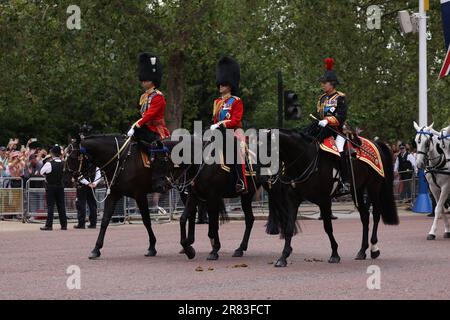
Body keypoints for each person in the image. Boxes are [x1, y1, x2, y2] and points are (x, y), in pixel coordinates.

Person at [211, 56, 246, 193]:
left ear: (230, 85)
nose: (220, 86)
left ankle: (241, 181)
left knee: (235, 150)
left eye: (223, 84)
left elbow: (236, 120)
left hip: (234, 132)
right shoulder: (217, 102)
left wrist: (221, 125)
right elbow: (215, 119)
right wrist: (214, 127)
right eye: (220, 84)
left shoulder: (236, 101)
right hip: (219, 132)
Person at [127, 53, 170, 146]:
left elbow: (149, 115)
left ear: (153, 81)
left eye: (146, 80)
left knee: (138, 133)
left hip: (156, 130)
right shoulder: (145, 96)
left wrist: (136, 126)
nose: (143, 82)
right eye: (143, 80)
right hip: (147, 128)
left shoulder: (158, 97)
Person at [39, 145, 67, 231]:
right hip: (60, 186)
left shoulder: (49, 163)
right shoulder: (64, 163)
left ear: (52, 154)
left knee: (50, 206)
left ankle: (49, 225)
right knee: (61, 206)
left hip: (51, 186)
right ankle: (64, 225)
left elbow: (41, 172)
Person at [74, 165, 101, 229]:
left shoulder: (81, 165)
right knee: (92, 205)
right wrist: (94, 183)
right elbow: (98, 174)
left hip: (83, 186)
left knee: (81, 204)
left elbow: (79, 176)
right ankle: (93, 223)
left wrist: (88, 183)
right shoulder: (95, 165)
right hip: (91, 186)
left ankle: (81, 224)